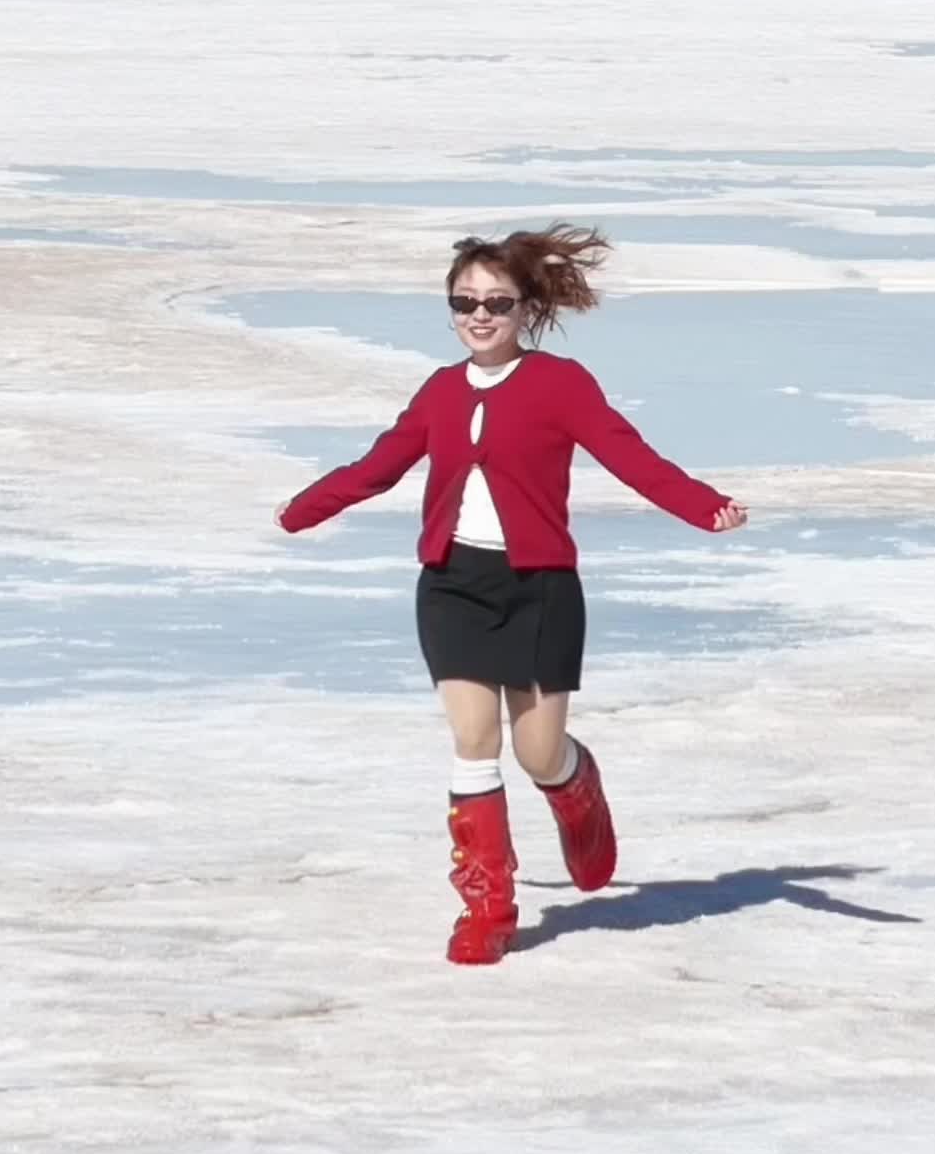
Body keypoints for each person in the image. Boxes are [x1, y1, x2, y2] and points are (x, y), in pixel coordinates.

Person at [274, 224, 746, 965]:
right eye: (464, 303)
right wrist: (303, 508)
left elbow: (630, 456)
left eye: (497, 301)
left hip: (539, 589)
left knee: (537, 749)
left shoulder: (562, 384)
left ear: (526, 307)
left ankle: (575, 786)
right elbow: (379, 466)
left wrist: (703, 505)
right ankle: (487, 906)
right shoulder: (438, 391)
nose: (480, 316)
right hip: (453, 584)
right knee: (473, 738)